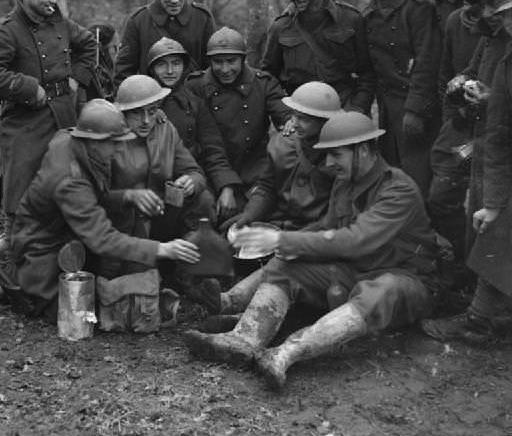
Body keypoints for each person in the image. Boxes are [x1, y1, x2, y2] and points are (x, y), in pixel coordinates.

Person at [184, 112, 448, 391]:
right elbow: (327, 226)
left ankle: (284, 354)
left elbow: (355, 241)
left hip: (409, 279)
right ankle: (244, 339)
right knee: (287, 266)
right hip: (358, 270)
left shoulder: (398, 189)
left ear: (363, 150)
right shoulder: (346, 183)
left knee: (382, 290)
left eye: (337, 155)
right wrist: (286, 244)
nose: (330, 163)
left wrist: (282, 240)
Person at [9, 99, 200, 320]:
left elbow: (93, 198)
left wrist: (128, 196)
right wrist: (163, 249)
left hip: (69, 235)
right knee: (85, 315)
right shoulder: (70, 181)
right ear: (92, 141)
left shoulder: (70, 139)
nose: (120, 148)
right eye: (114, 142)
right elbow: (102, 239)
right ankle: (24, 279)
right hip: (43, 249)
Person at [0, 0, 97, 276]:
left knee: (68, 186)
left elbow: (89, 46)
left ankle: (62, 263)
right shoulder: (6, 29)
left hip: (64, 118)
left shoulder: (60, 24)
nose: (52, 0)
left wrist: (77, 80)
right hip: (25, 123)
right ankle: (15, 269)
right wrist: (30, 90)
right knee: (20, 196)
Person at [422, 0, 512, 342]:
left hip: (499, 150)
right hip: (492, 146)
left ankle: (483, 319)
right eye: (502, 13)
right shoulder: (499, 46)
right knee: (494, 228)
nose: (501, 20)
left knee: (498, 230)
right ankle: (486, 313)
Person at [204, 81, 344, 318]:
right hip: (283, 220)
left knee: (287, 262)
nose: (295, 123)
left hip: (322, 230)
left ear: (326, 122)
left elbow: (341, 212)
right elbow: (267, 187)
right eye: (294, 116)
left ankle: (233, 301)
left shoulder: (341, 154)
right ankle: (233, 303)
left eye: (305, 119)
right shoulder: (283, 142)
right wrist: (249, 215)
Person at [427, 0, 499, 275]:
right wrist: (461, 86)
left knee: (486, 206)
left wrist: (490, 100)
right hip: (462, 127)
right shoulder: (459, 22)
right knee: (442, 195)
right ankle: (460, 266)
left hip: (494, 133)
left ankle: (476, 281)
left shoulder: (500, 28)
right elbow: (452, 71)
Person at [102, 75, 211, 279]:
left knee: (203, 200)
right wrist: (131, 197)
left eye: (151, 112)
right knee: (133, 280)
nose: (146, 120)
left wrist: (191, 182)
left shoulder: (164, 128)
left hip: (160, 214)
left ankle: (186, 271)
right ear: (122, 112)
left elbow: (194, 171)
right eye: (137, 113)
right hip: (123, 224)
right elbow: (94, 197)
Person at [360, 0, 442, 196]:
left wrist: (415, 111)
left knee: (418, 176)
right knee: (392, 172)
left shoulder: (419, 9)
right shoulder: (369, 15)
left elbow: (427, 63)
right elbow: (369, 69)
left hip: (417, 109)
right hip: (387, 107)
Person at [185, 26, 292, 209]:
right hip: (210, 169)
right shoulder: (195, 86)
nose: (225, 69)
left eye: (231, 61)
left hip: (255, 168)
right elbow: (204, 142)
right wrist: (225, 184)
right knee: (206, 210)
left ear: (243, 59)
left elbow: (283, 114)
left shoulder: (263, 84)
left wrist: (289, 120)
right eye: (218, 62)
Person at [145, 36, 242, 225]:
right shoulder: (139, 102)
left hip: (187, 181)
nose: (171, 71)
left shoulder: (194, 104)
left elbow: (213, 149)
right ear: (152, 69)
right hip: (147, 183)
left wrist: (226, 187)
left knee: (205, 204)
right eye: (162, 65)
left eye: (176, 63)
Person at [262, 0, 375, 115]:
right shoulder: (281, 27)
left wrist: (357, 109)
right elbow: (268, 78)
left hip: (343, 108)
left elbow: (367, 73)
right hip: (299, 113)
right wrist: (284, 116)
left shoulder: (350, 20)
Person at [114, 0, 216, 88]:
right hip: (151, 101)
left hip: (195, 101)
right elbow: (124, 71)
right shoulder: (139, 21)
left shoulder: (201, 18)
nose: (175, 0)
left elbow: (212, 65)